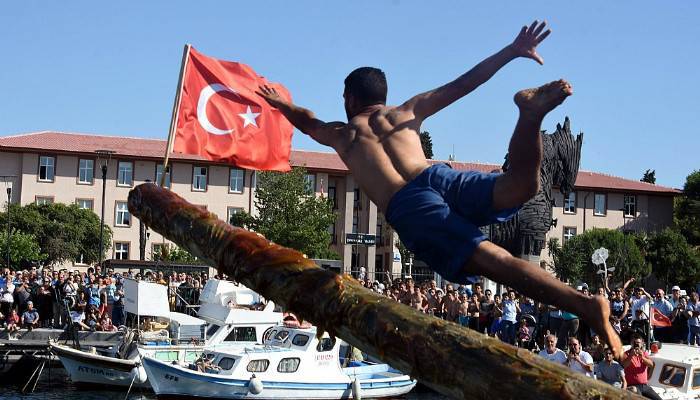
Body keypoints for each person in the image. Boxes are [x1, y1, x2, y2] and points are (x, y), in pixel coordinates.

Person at [256, 20, 621, 356]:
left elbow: (307, 122)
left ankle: (584, 305)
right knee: (520, 188)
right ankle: (529, 116)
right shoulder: (406, 112)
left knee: (495, 262)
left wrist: (280, 104)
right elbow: (464, 83)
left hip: (410, 205)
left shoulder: (344, 135)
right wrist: (512, 50)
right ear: (383, 95)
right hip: (436, 175)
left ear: (349, 99)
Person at [621, 335, 661, 400]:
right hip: (633, 386)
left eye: (638, 343)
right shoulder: (626, 354)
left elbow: (651, 365)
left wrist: (642, 357)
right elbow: (624, 366)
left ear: (642, 343)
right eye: (634, 343)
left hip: (644, 386)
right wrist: (631, 356)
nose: (636, 345)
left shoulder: (644, 353)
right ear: (631, 343)